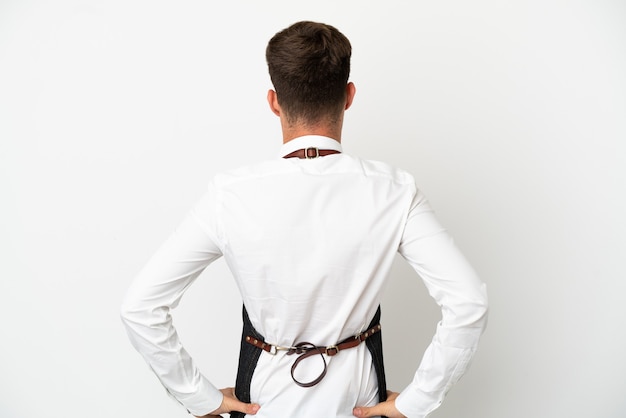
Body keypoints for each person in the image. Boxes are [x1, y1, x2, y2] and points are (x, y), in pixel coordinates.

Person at [120, 20, 488, 418]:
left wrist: (197, 397)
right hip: (357, 401)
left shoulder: (229, 194)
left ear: (274, 101)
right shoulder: (395, 190)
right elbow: (469, 301)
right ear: (348, 96)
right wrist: (418, 401)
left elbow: (140, 306)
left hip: (264, 402)